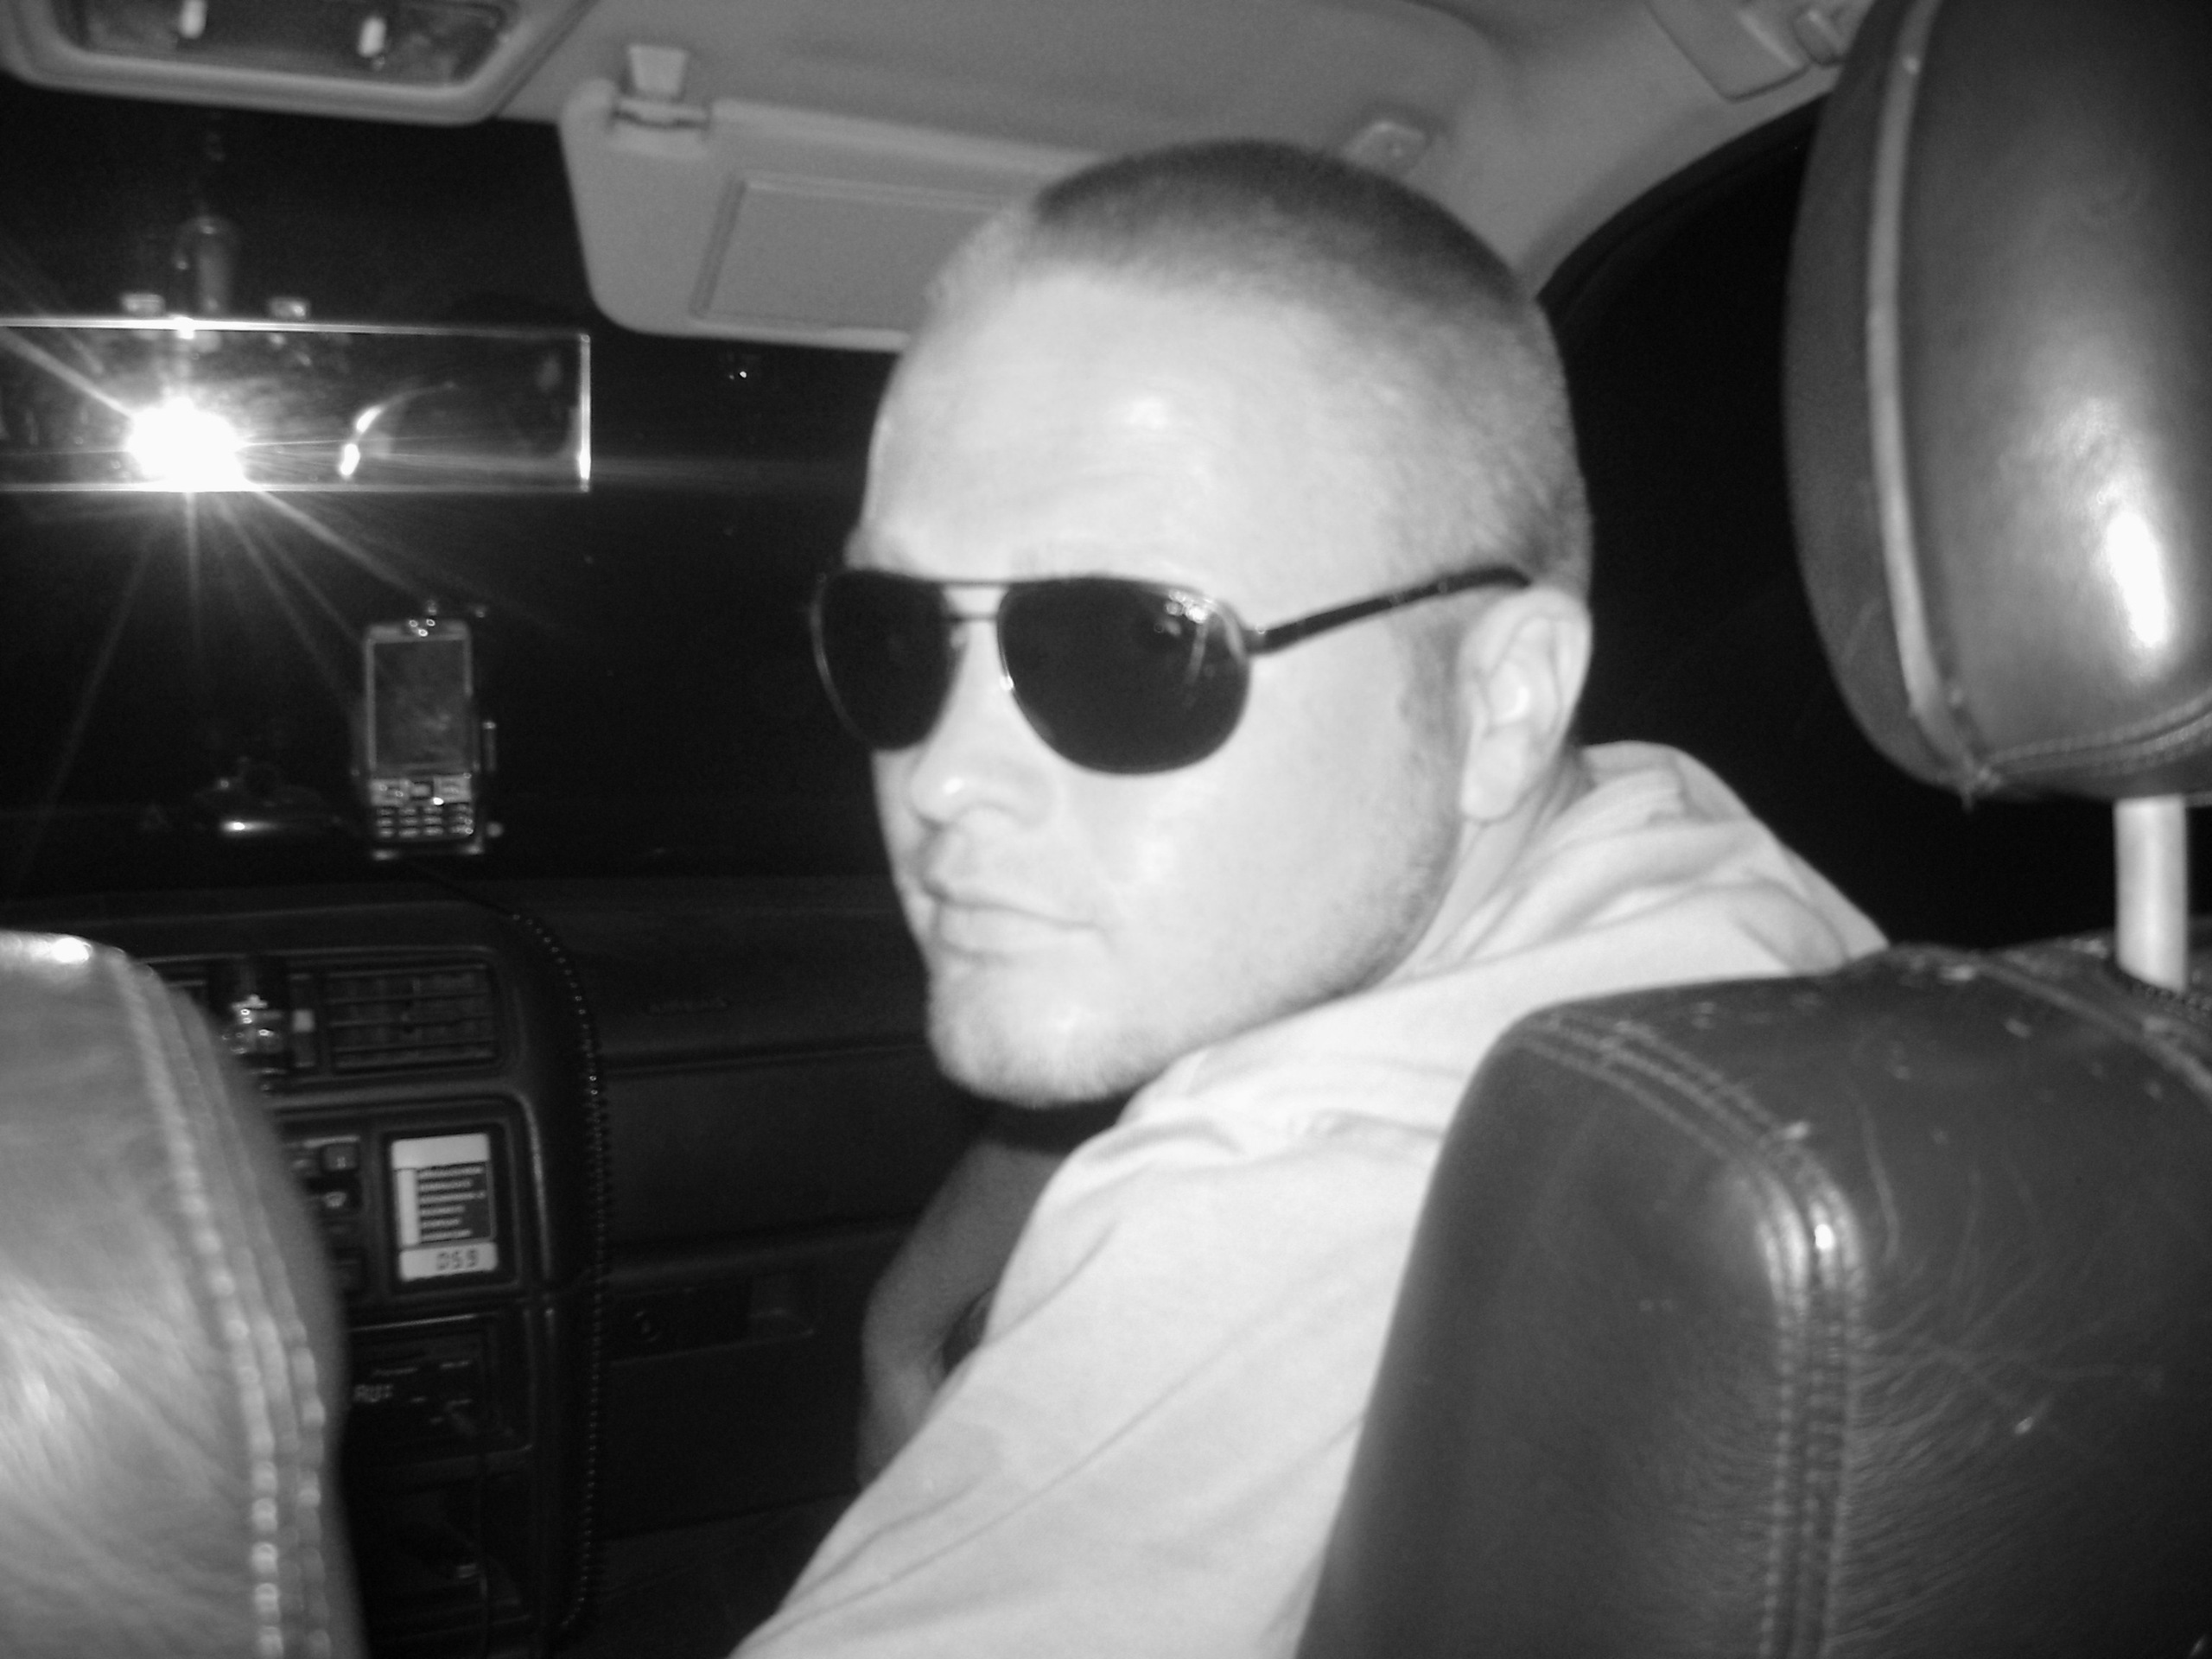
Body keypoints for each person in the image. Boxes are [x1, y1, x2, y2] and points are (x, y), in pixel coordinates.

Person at [739, 138, 1881, 1657]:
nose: (943, 776)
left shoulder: (1295, 1192)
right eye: (892, 636)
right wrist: (908, 1322)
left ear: (1503, 699)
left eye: (1137, 648)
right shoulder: (1675, 859)